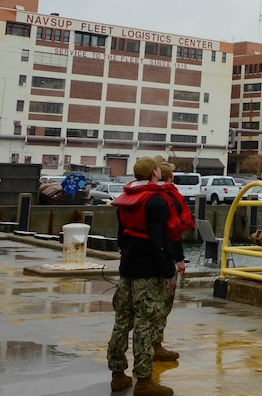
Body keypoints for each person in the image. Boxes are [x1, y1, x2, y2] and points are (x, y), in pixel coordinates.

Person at [106, 157, 177, 396]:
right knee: (145, 325)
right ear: (155, 173)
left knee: (122, 321)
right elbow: (160, 241)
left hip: (127, 268)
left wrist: (126, 257)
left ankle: (117, 374)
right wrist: (169, 271)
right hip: (148, 271)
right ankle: (144, 380)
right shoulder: (155, 201)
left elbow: (121, 237)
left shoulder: (126, 199)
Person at [152, 163, 193, 361]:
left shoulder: (144, 196)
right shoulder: (168, 199)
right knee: (161, 304)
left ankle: (119, 365)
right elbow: (174, 232)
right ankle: (155, 345)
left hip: (136, 259)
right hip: (164, 257)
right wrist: (179, 260)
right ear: (171, 176)